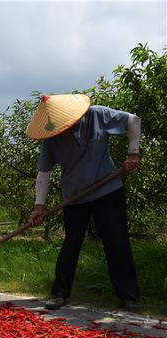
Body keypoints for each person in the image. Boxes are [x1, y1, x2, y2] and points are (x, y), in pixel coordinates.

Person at [25, 94, 142, 311]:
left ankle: (128, 296)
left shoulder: (97, 115)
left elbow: (132, 120)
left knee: (116, 241)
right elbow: (44, 173)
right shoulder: (52, 138)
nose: (62, 131)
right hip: (74, 197)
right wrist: (38, 208)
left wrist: (133, 154)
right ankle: (59, 293)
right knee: (71, 244)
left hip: (107, 190)